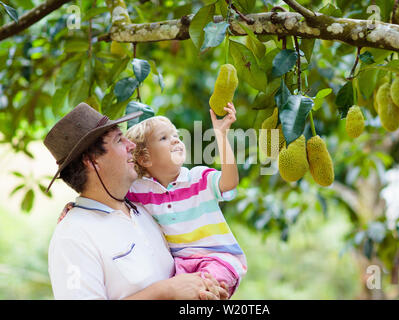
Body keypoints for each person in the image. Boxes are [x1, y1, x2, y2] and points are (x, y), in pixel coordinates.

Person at [45, 102, 228, 300]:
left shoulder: (145, 209)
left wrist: (206, 289)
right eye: (119, 140)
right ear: (92, 160)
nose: (132, 145)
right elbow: (172, 289)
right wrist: (167, 291)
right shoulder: (73, 236)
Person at [124, 103, 247, 297]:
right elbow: (110, 195)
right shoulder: (140, 190)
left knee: (204, 286)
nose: (175, 140)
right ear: (145, 159)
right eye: (164, 138)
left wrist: (221, 137)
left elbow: (229, 183)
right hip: (181, 264)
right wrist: (78, 206)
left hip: (218, 259)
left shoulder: (198, 178)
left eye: (176, 136)